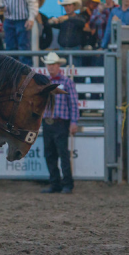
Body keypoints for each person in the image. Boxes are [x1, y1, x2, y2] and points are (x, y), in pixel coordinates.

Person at [40, 52, 78, 194]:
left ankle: (67, 183)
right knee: (49, 154)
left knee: (62, 153)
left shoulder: (67, 82)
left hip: (61, 122)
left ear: (58, 66)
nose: (50, 67)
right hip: (48, 121)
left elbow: (73, 104)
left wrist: (74, 122)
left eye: (52, 65)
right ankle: (55, 183)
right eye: (48, 65)